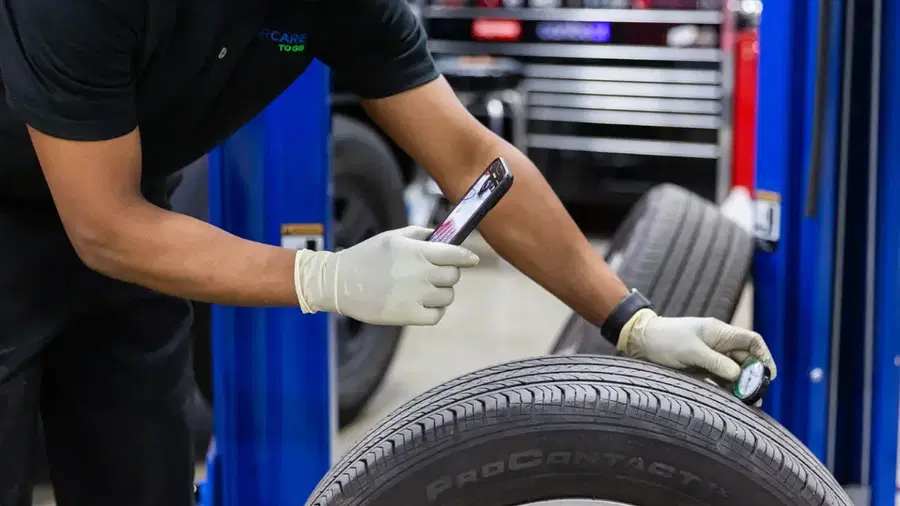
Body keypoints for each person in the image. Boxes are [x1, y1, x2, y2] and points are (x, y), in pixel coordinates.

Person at [0, 0, 777, 504]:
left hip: (134, 238)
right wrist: (325, 276)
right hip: (49, 222)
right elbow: (101, 224)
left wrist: (634, 322)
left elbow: (473, 161)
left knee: (140, 483)